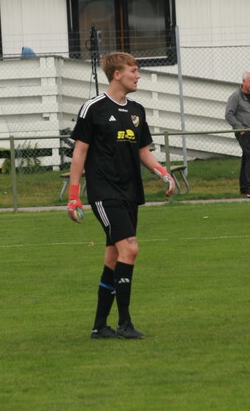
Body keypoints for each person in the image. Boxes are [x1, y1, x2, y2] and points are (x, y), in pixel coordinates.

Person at [66, 51, 176, 340]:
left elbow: (142, 151)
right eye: (133, 70)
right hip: (105, 193)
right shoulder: (93, 108)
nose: (138, 76)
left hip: (130, 192)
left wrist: (163, 173)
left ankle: (99, 327)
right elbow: (79, 153)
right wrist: (74, 196)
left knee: (114, 259)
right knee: (130, 250)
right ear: (117, 74)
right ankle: (125, 323)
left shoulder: (137, 111)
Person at [224, 71, 250, 197]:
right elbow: (229, 114)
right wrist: (239, 127)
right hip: (244, 133)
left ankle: (243, 187)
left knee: (247, 158)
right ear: (243, 82)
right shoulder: (235, 96)